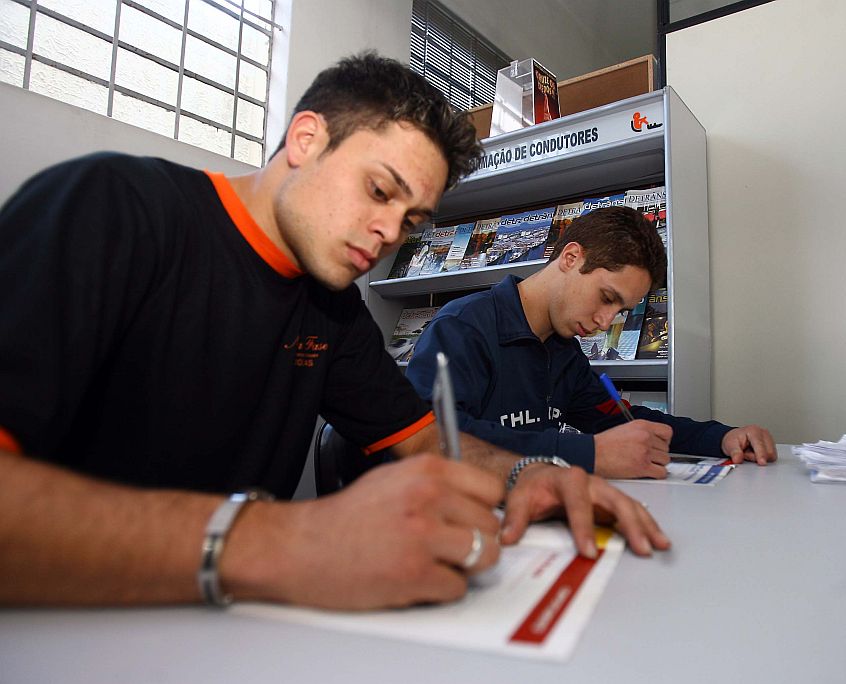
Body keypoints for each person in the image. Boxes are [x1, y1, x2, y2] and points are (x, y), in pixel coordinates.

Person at [0, 53, 669, 611]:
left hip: (214, 624)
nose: (387, 235)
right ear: (306, 140)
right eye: (380, 191)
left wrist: (529, 473)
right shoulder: (113, 209)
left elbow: (426, 445)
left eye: (410, 221)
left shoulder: (333, 308)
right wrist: (279, 541)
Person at [406, 206, 777, 480]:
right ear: (570, 257)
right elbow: (432, 441)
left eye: (620, 310)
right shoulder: (462, 329)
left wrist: (722, 437)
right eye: (605, 297)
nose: (605, 322)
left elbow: (622, 419)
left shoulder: (563, 348)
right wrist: (590, 453)